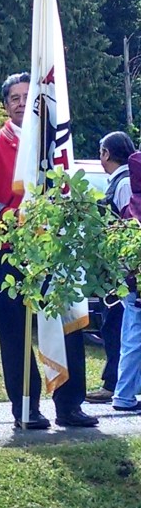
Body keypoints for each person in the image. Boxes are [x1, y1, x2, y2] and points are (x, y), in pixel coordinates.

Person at [0, 71, 98, 429]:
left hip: (54, 249)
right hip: (9, 251)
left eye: (29, 96)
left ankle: (70, 405)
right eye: (15, 98)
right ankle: (26, 407)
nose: (23, 103)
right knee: (15, 332)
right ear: (6, 105)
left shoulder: (57, 144)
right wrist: (14, 216)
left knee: (67, 323)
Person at [86, 131, 135, 404]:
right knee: (113, 325)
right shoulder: (121, 181)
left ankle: (114, 383)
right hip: (118, 270)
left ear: (107, 153)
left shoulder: (124, 183)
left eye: (101, 151)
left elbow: (129, 226)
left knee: (115, 326)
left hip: (122, 271)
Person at [111, 150, 141, 412]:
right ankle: (124, 395)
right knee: (134, 338)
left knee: (131, 336)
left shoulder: (130, 204)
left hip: (127, 281)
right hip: (136, 283)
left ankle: (126, 392)